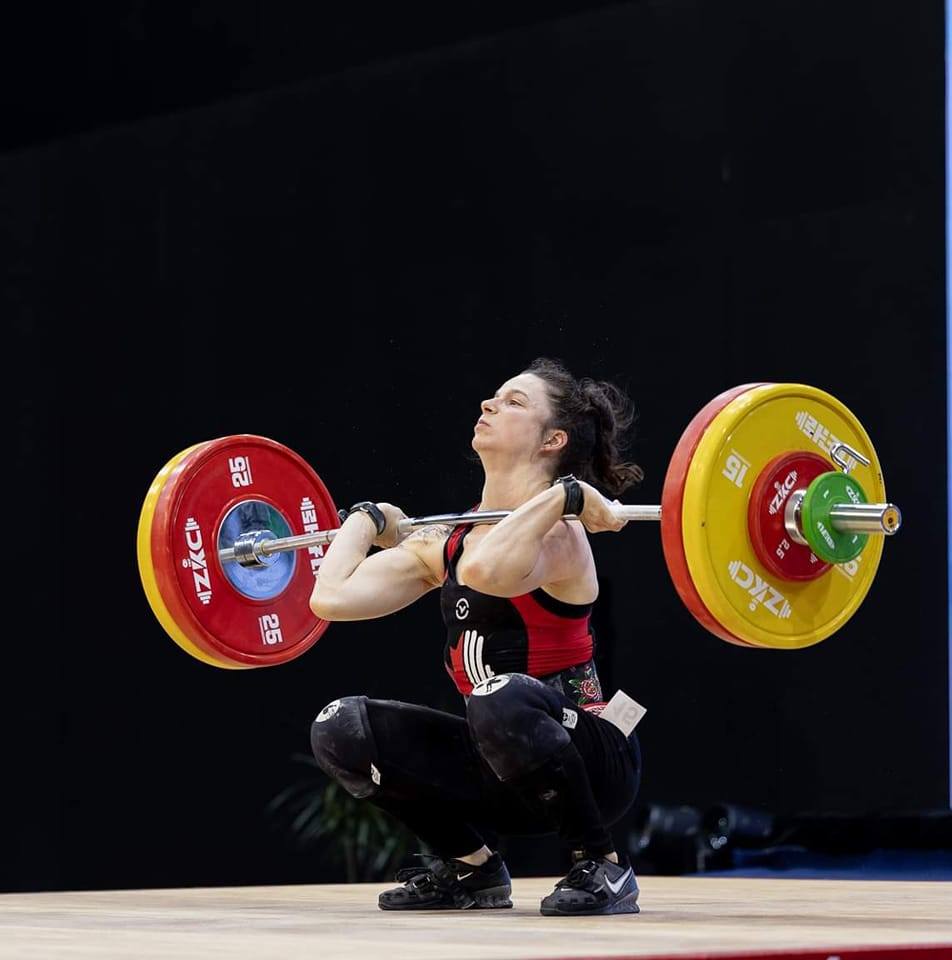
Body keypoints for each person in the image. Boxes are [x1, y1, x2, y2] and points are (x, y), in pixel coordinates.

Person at [308, 357, 645, 915]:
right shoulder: (450, 540)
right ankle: (471, 869)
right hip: (504, 768)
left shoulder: (561, 535)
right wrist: (365, 520)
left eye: (514, 402)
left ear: (552, 439)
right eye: (493, 396)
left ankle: (604, 866)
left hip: (596, 761)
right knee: (340, 727)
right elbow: (330, 599)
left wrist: (565, 499)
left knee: (499, 696)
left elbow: (488, 571)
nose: (489, 405)